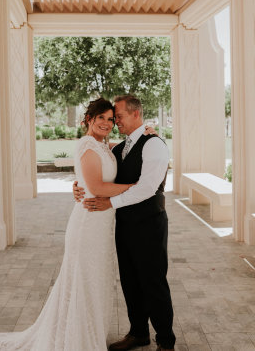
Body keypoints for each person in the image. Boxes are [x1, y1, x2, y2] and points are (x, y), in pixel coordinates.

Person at [0, 98, 147, 351]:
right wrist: (142, 187)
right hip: (88, 223)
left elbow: (103, 170)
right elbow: (96, 187)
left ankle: (86, 333)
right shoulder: (88, 146)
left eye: (111, 118)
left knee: (94, 280)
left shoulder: (103, 145)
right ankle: (77, 339)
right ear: (88, 120)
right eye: (101, 118)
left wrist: (147, 131)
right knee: (84, 279)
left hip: (101, 223)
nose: (107, 123)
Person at [74, 95, 176, 351]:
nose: (114, 121)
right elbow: (101, 175)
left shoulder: (153, 145)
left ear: (135, 114)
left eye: (117, 116)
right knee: (130, 281)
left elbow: (147, 189)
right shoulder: (119, 148)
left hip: (149, 224)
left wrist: (110, 203)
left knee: (153, 282)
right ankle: (138, 333)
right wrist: (81, 187)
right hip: (123, 225)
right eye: (110, 117)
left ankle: (165, 341)